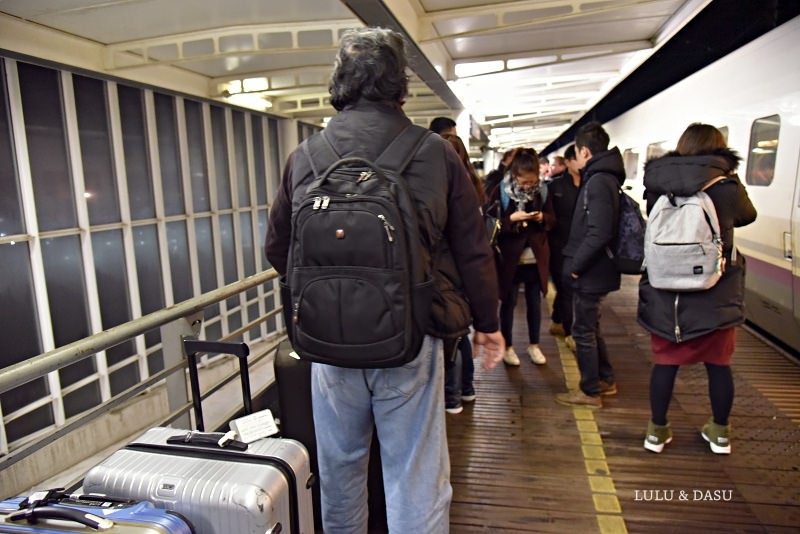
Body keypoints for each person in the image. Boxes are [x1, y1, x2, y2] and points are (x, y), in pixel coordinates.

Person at [264, 27, 505, 533]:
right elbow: (473, 248)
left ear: (339, 84)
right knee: (414, 475)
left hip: (327, 346)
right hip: (409, 338)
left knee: (340, 471)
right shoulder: (434, 153)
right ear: (401, 86)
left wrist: (334, 290)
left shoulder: (305, 157)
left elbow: (277, 249)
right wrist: (488, 323)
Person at [638, 123, 757, 454]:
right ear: (719, 150)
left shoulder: (656, 185)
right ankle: (720, 433)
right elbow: (748, 216)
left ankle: (656, 432)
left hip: (666, 294)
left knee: (665, 363)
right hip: (715, 291)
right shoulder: (725, 186)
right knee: (719, 365)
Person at [556, 122, 624, 409]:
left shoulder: (597, 181)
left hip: (590, 271)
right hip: (597, 270)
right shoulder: (606, 178)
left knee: (583, 330)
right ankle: (605, 379)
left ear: (584, 151)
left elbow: (599, 231)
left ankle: (589, 391)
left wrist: (576, 266)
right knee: (591, 327)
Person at [488, 149, 555, 366]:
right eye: (524, 181)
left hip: (535, 258)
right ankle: (507, 346)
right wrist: (512, 219)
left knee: (535, 303)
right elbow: (490, 222)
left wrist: (542, 216)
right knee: (508, 302)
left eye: (532, 181)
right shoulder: (501, 191)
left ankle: (534, 345)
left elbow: (554, 220)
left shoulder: (543, 191)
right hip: (510, 259)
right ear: (514, 175)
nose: (528, 186)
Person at [440, 133, 486, 414]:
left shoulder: (445, 190)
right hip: (466, 274)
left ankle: (452, 397)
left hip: (448, 275)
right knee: (461, 334)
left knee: (450, 336)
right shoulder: (474, 188)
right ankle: (466, 388)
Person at [546, 145, 580, 352]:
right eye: (575, 158)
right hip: (558, 247)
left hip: (580, 247)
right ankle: (569, 332)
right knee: (566, 289)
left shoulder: (589, 185)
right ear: (567, 162)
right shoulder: (554, 187)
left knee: (568, 289)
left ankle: (557, 319)